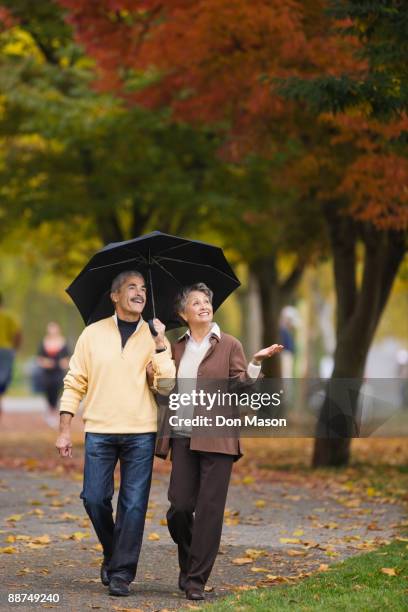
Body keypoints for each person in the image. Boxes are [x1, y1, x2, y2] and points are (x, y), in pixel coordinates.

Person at [153, 283, 283, 601]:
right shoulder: (175, 347)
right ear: (183, 314)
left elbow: (242, 389)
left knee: (210, 511)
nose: (203, 305)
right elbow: (163, 392)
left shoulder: (229, 344)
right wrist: (157, 349)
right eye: (195, 302)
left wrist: (254, 363)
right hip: (183, 437)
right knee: (179, 509)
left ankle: (195, 579)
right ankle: (190, 561)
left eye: (206, 301)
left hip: (217, 440)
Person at [55, 270, 175, 598]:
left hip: (140, 430)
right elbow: (74, 381)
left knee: (133, 504)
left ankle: (122, 573)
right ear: (115, 295)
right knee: (94, 498)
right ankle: (113, 551)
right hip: (99, 429)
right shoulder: (91, 335)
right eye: (131, 288)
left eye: (143, 288)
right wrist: (65, 429)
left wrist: (162, 347)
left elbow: (167, 386)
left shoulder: (154, 337)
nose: (139, 293)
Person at [37, 322, 70, 428]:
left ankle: (54, 413)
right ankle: (49, 411)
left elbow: (67, 358)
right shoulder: (44, 342)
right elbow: (39, 358)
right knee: (48, 391)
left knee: (56, 392)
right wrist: (46, 363)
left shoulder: (63, 342)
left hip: (58, 373)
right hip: (47, 373)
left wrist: (63, 363)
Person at [0, 292, 22, 416]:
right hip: (6, 351)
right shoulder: (9, 317)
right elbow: (18, 334)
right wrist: (14, 349)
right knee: (3, 381)